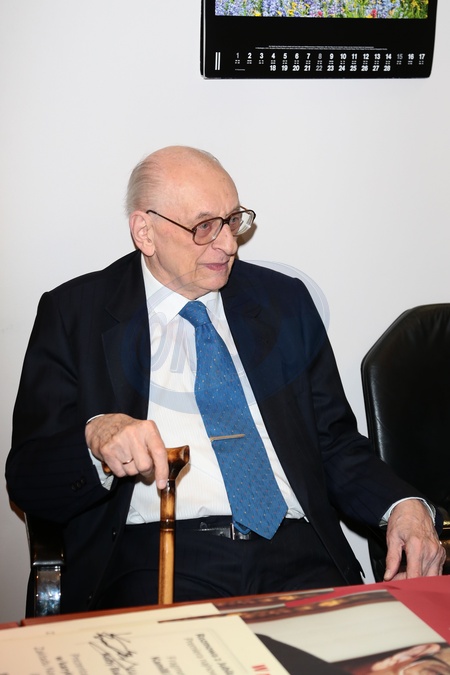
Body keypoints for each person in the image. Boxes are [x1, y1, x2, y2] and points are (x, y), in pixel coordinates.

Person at [6, 146, 445, 615]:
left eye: (233, 221)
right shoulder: (76, 314)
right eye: (204, 227)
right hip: (159, 558)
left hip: (299, 550)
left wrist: (403, 504)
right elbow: (30, 480)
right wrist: (96, 442)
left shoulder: (282, 302)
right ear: (145, 232)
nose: (229, 245)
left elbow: (333, 442)